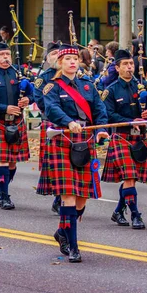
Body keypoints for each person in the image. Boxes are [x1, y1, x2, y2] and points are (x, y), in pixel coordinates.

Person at [44, 44, 109, 262]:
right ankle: (73, 245)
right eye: (67, 59)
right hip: (64, 141)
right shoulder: (52, 87)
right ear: (60, 63)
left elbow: (100, 110)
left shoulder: (88, 86)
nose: (72, 62)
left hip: (86, 141)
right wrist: (68, 122)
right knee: (69, 195)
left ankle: (62, 231)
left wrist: (100, 130)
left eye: (75, 58)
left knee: (82, 197)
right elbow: (52, 108)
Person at [101, 49, 147, 229]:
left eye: (131, 64)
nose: (130, 67)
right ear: (118, 68)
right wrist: (130, 121)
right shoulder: (111, 90)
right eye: (126, 64)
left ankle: (118, 211)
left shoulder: (144, 87)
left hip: (140, 139)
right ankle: (136, 215)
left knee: (131, 178)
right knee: (129, 177)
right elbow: (108, 115)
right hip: (122, 136)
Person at [0, 42, 33, 210]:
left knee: (12, 163)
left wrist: (28, 100)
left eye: (7, 54)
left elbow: (32, 92)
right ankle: (3, 195)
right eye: (1, 55)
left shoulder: (18, 74)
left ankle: (1, 190)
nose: (5, 58)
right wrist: (5, 107)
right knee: (2, 160)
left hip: (16, 122)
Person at [33, 41, 62, 213]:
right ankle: (59, 196)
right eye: (53, 54)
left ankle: (60, 197)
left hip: (72, 125)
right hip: (52, 124)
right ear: (47, 58)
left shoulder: (74, 76)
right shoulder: (43, 78)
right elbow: (40, 101)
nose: (57, 56)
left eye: (60, 53)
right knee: (55, 163)